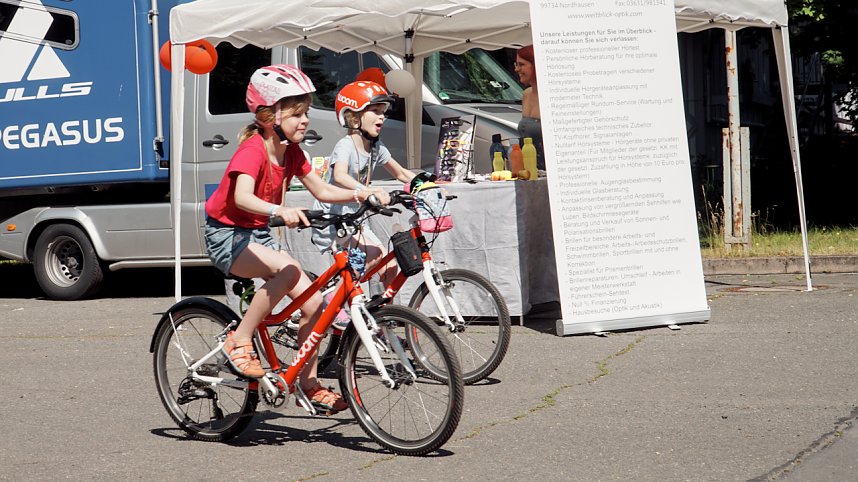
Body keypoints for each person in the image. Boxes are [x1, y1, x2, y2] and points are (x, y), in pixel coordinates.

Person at [204, 64, 388, 413]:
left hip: (257, 234)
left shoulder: (292, 153)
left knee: (314, 304)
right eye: (297, 114)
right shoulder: (253, 151)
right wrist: (279, 210)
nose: (305, 120)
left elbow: (321, 189)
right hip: (226, 235)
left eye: (306, 113)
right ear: (268, 115)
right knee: (288, 271)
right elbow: (241, 198)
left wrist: (362, 194)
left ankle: (309, 383)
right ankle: (239, 340)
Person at [311, 80, 415, 308]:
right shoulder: (346, 144)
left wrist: (427, 182)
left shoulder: (376, 147)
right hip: (336, 220)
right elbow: (339, 176)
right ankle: (332, 299)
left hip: (356, 218)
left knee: (389, 268)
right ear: (353, 117)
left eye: (383, 113)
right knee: (373, 257)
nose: (382, 117)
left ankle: (383, 323)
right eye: (375, 111)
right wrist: (366, 191)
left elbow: (400, 172)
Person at [514, 44, 545, 170]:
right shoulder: (526, 94)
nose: (517, 69)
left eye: (521, 65)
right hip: (529, 171)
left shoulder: (552, 97)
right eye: (516, 65)